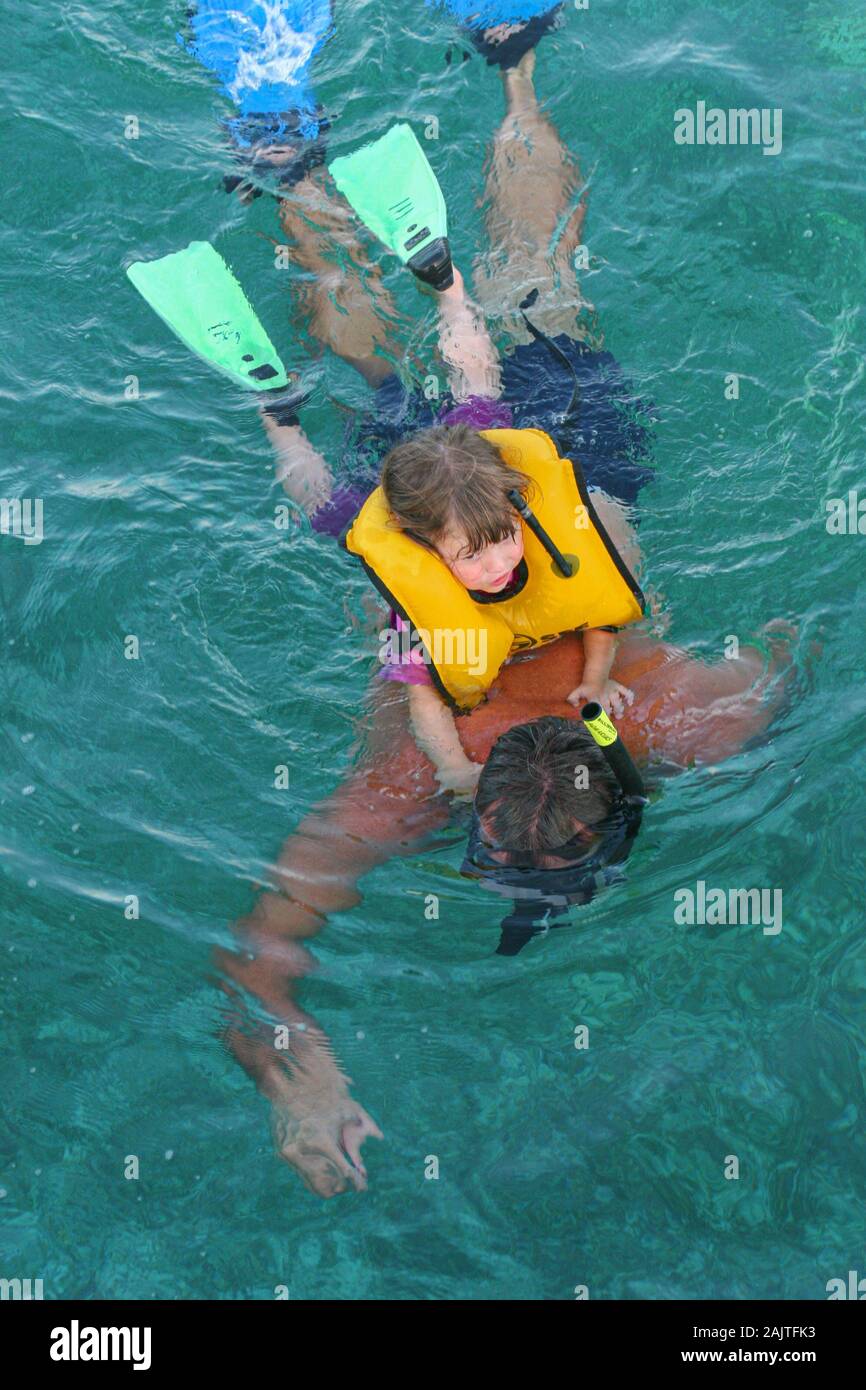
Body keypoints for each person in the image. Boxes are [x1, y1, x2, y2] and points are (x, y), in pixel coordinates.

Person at [215, 623, 794, 1197]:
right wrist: (294, 1083)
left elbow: (790, 644)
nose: (523, 890)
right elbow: (252, 956)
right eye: (504, 864)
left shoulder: (691, 719)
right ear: (470, 798)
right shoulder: (402, 791)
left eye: (559, 863)